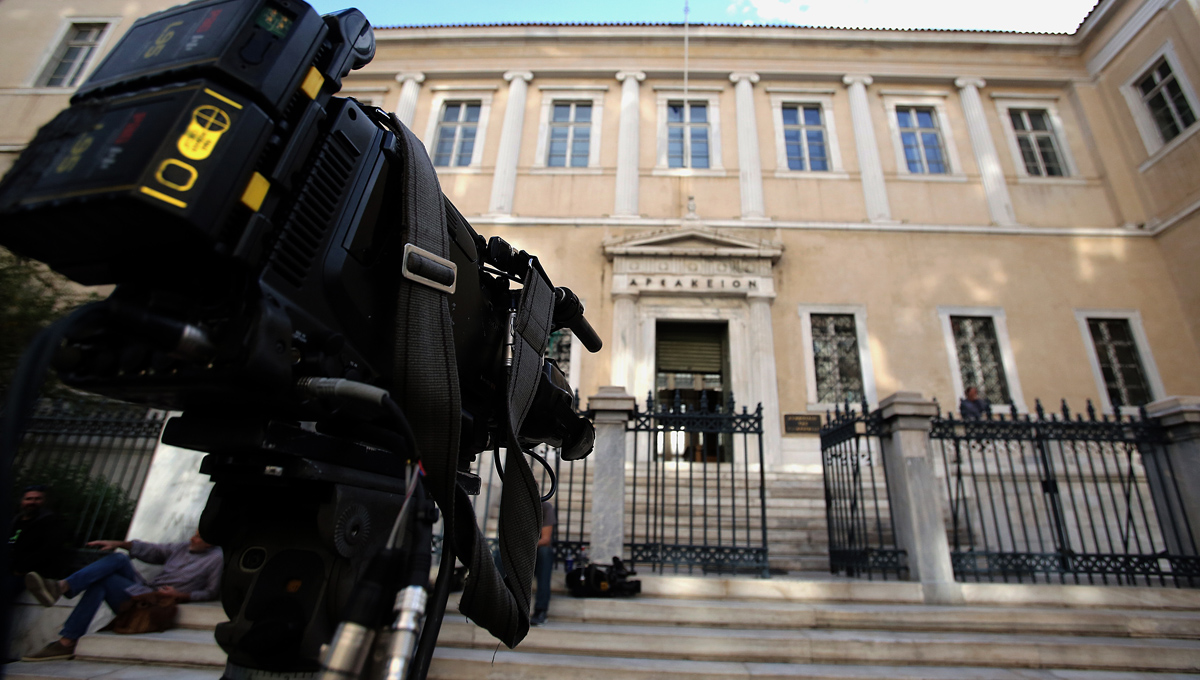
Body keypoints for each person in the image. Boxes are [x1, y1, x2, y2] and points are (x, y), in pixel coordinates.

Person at [20, 529, 222, 662]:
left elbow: (211, 592)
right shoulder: (182, 548)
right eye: (194, 534)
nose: (192, 538)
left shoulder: (216, 559)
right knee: (118, 558)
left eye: (199, 537)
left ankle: (67, 636)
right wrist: (118, 543)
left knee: (103, 581)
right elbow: (151, 550)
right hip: (143, 591)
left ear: (211, 543)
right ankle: (62, 592)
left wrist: (181, 595)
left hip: (156, 603)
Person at [9, 485, 69, 599]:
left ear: (44, 501)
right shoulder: (15, 521)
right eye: (28, 499)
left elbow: (49, 549)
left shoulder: (52, 521)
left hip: (30, 573)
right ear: (22, 501)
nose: (32, 502)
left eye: (37, 499)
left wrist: (20, 569)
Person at [530, 500, 556, 626]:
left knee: (545, 552)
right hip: (519, 553)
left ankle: (541, 610)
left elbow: (546, 539)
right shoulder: (514, 507)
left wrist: (528, 545)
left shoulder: (544, 508)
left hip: (536, 554)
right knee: (499, 553)